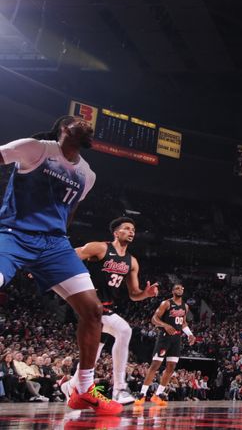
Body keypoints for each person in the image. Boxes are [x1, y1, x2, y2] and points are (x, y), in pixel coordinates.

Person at [0, 116, 122, 415]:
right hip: (13, 235)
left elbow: (69, 212)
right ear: (63, 128)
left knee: (93, 310)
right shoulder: (35, 149)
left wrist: (54, 250)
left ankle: (83, 389)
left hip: (54, 245)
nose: (84, 120)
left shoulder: (87, 175)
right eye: (77, 119)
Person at [62, 217, 159, 404]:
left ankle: (71, 385)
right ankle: (119, 388)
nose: (131, 231)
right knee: (124, 330)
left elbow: (134, 294)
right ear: (116, 233)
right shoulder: (99, 248)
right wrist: (46, 268)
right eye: (127, 228)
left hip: (107, 306)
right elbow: (70, 255)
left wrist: (145, 294)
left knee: (94, 353)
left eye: (133, 229)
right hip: (89, 304)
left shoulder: (132, 261)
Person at [134, 283, 195, 406]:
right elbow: (154, 319)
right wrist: (165, 325)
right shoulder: (166, 303)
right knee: (155, 365)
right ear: (173, 291)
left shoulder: (185, 306)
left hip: (177, 338)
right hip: (164, 337)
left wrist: (190, 334)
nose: (180, 289)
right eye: (177, 288)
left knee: (171, 367)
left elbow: (183, 323)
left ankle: (158, 395)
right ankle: (142, 394)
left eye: (182, 288)